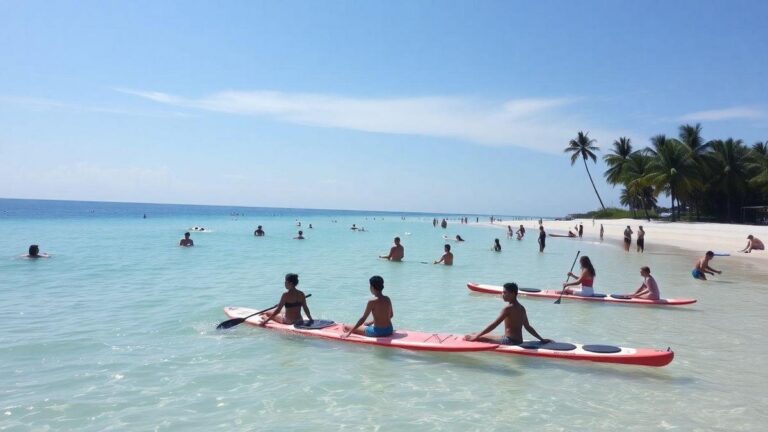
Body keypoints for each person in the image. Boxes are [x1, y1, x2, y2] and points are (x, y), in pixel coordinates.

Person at [464, 282, 551, 345]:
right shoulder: (521, 308)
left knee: (475, 337)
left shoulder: (508, 308)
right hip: (518, 340)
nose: (502, 294)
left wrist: (477, 337)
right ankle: (476, 335)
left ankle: (476, 336)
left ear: (513, 293)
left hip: (509, 341)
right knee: (474, 333)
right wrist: (541, 339)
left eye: (505, 292)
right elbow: (528, 327)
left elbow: (494, 324)